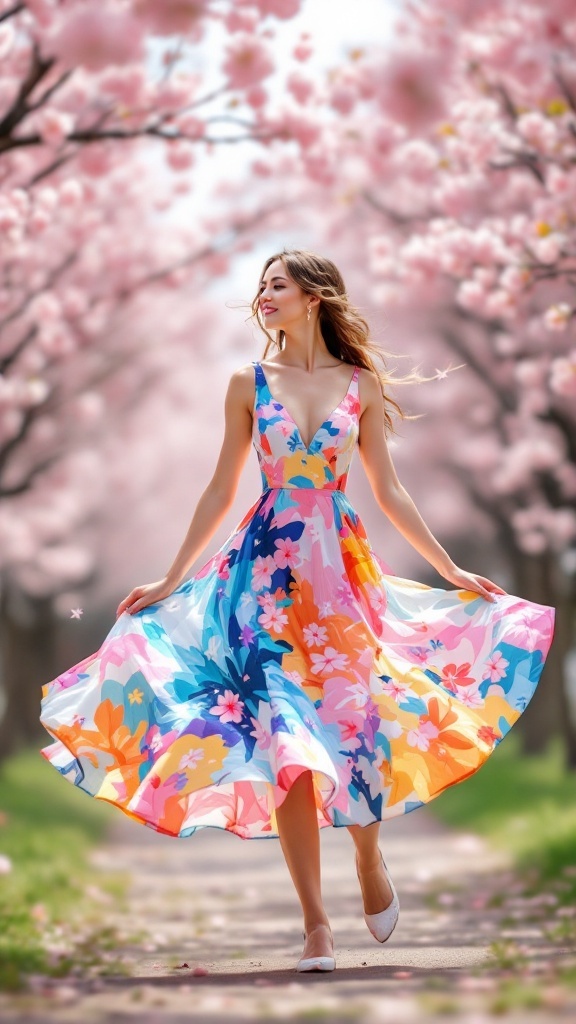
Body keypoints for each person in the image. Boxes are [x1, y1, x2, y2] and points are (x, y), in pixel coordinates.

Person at [40, 248, 556, 974]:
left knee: (355, 721)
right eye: (259, 287)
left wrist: (448, 568)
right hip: (265, 579)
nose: (263, 296)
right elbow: (222, 489)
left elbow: (390, 490)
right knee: (288, 744)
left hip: (342, 574)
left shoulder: (361, 385)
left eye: (276, 285)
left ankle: (369, 857)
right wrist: (169, 577)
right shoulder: (247, 383)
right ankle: (317, 925)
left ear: (314, 297)